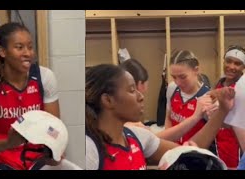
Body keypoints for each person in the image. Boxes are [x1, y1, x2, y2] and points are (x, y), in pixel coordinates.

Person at [85, 64, 234, 170]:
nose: (140, 96)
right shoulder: (90, 150)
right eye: (131, 90)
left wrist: (222, 110)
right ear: (108, 100)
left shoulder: (136, 137)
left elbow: (189, 152)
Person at [0, 22, 60, 170]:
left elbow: (54, 128)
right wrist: (8, 143)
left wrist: (55, 148)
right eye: (19, 47)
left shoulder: (45, 77)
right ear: (2, 52)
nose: (28, 53)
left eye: (30, 47)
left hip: (37, 159)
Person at [120, 58, 212, 142]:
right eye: (174, 77)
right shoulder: (126, 124)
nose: (178, 82)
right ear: (139, 85)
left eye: (183, 77)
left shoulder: (207, 98)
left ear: (196, 71)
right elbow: (153, 140)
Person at [210, 45, 244, 169]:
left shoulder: (242, 89)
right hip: (217, 145)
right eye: (228, 61)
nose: (231, 67)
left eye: (237, 63)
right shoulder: (217, 85)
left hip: (237, 147)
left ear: (243, 68)